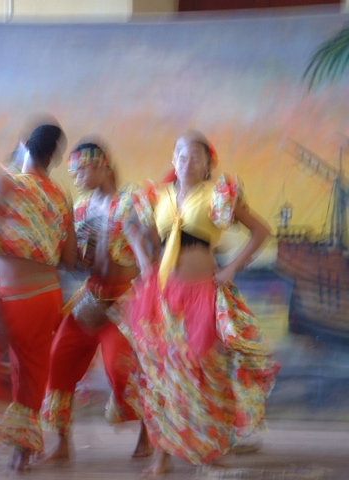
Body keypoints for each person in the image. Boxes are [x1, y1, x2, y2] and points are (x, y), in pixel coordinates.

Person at [125, 130, 279, 476]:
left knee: (205, 373)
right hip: (162, 296)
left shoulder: (218, 195)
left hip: (202, 294)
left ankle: (211, 448)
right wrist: (142, 260)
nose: (187, 162)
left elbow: (261, 231)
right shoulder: (159, 196)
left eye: (196, 156)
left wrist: (231, 269)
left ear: (208, 163)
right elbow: (139, 233)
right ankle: (162, 456)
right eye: (181, 155)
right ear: (173, 160)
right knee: (162, 376)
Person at [0, 123, 77, 471]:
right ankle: (22, 451)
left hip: (12, 296)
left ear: (24, 145)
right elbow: (71, 260)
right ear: (54, 158)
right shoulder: (62, 196)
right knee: (29, 373)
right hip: (46, 295)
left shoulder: (6, 183)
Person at [41, 142, 152, 464]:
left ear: (102, 165)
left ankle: (148, 434)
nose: (76, 177)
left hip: (125, 296)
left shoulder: (130, 200)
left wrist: (149, 272)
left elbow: (141, 239)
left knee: (122, 369)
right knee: (59, 360)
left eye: (81, 170)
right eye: (72, 172)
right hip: (92, 296)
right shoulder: (81, 210)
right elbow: (79, 264)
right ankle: (62, 443)